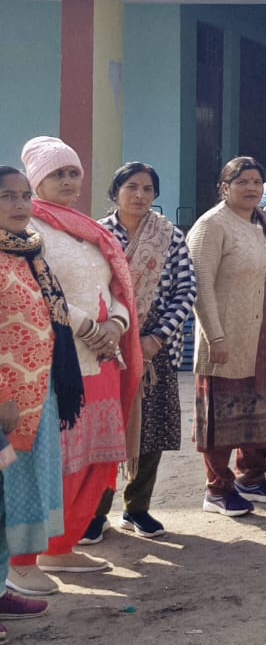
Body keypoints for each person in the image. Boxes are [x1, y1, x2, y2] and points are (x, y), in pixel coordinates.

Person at [11, 137, 141, 586]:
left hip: (103, 358)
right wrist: (87, 327)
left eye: (73, 173)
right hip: (61, 361)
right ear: (35, 181)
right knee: (58, 459)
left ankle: (63, 546)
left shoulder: (88, 228)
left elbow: (114, 287)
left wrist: (118, 324)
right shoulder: (29, 229)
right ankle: (32, 553)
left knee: (94, 458)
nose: (67, 181)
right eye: (56, 174)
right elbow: (37, 289)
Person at [187, 156, 266, 517]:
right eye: (242, 182)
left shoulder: (263, 223)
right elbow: (199, 286)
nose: (251, 188)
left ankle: (252, 478)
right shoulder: (211, 226)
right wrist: (215, 337)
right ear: (224, 188)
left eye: (256, 181)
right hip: (227, 337)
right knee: (221, 418)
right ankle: (217, 490)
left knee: (260, 410)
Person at [96, 163, 197, 540]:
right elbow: (92, 288)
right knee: (107, 429)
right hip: (107, 344)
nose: (140, 195)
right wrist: (113, 333)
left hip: (157, 348)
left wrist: (156, 338)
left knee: (151, 430)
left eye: (148, 189)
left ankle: (137, 508)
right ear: (115, 192)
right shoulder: (98, 234)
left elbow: (186, 290)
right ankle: (96, 512)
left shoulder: (169, 235)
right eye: (131, 187)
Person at [0, 165, 81, 611]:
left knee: (13, 497)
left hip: (36, 394)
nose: (20, 205)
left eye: (25, 195)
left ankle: (4, 586)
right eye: (7, 196)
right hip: (7, 401)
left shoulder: (28, 251)